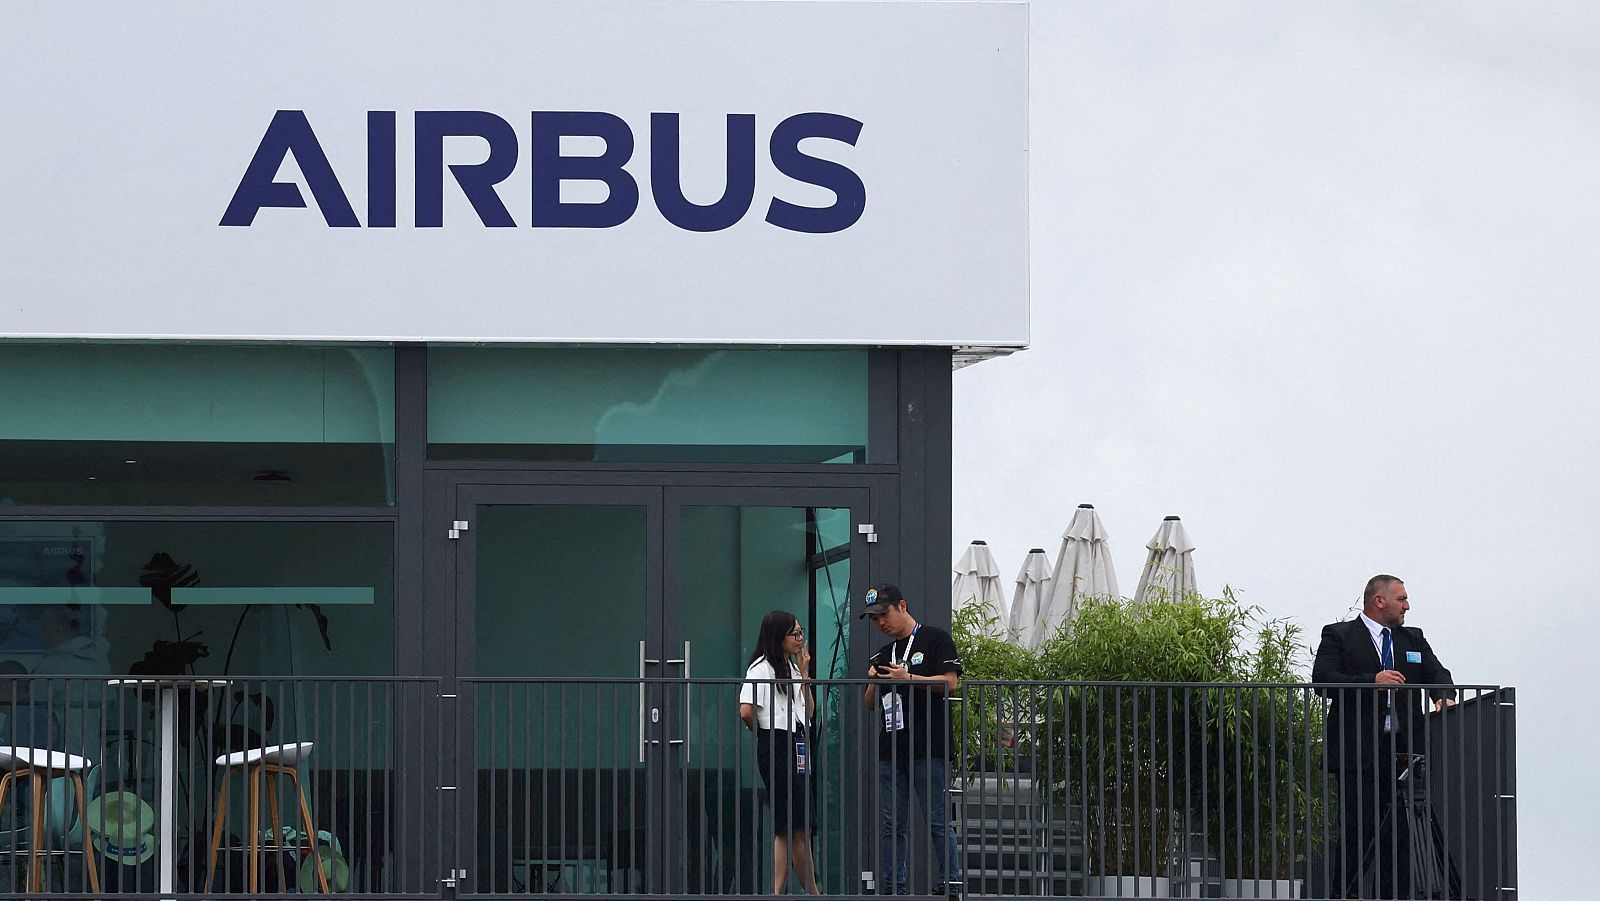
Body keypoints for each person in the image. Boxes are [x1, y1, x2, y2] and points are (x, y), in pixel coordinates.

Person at [1312, 574, 1456, 899]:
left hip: (1404, 753)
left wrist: (1443, 694)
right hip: (1357, 754)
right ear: (1379, 601)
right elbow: (1322, 680)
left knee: (1402, 836)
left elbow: (1437, 671)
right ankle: (1344, 895)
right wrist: (1371, 681)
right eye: (1401, 599)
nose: (1408, 605)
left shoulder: (1412, 638)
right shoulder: (1339, 634)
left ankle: (1396, 897)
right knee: (1357, 833)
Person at [861, 583, 962, 896]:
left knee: (936, 820)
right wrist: (874, 682)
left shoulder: (935, 639)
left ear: (902, 606)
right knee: (893, 824)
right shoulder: (883, 653)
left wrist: (909, 678)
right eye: (875, 619)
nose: (881, 623)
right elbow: (869, 703)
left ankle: (950, 883)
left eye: (884, 614)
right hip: (891, 750)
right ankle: (894, 887)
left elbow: (950, 683)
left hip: (929, 747)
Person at [738, 610, 821, 895]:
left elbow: (808, 713)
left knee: (796, 823)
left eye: (801, 632)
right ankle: (807, 892)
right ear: (779, 637)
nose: (800, 639)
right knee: (792, 821)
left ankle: (782, 890)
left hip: (797, 741)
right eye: (795, 634)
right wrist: (764, 734)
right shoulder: (760, 668)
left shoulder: (793, 668)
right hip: (777, 743)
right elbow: (746, 710)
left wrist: (806, 674)